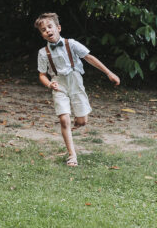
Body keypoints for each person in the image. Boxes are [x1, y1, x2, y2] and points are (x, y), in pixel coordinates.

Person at [35, 12, 120, 167]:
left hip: (75, 82)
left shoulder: (71, 43)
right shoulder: (43, 53)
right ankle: (72, 155)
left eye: (50, 26)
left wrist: (109, 73)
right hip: (58, 84)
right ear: (42, 35)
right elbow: (42, 75)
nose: (47, 30)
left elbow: (89, 57)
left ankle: (77, 121)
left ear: (58, 28)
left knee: (82, 121)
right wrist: (49, 84)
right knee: (64, 119)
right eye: (43, 30)